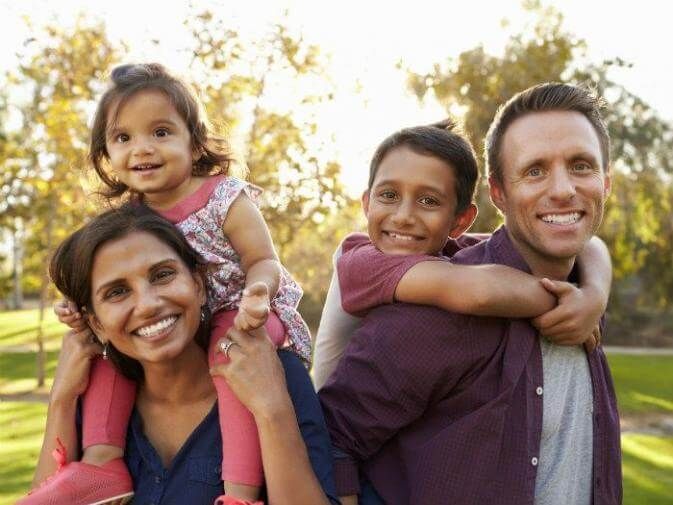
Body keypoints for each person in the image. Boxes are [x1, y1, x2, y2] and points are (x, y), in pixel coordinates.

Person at [319, 83, 621, 504]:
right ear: (499, 192)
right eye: (535, 170)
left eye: (581, 166)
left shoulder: (585, 292)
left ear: (605, 183)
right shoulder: (432, 307)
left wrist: (593, 295)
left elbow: (593, 246)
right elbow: (330, 437)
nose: (563, 190)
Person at [34, 62, 312, 504]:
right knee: (109, 357)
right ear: (106, 153)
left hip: (242, 313)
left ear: (194, 140)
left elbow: (263, 259)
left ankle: (238, 491)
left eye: (160, 132)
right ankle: (101, 463)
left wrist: (257, 296)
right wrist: (74, 310)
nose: (143, 149)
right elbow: (98, 282)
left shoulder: (224, 197)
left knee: (230, 362)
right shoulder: (130, 218)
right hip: (184, 322)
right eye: (123, 138)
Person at [18, 203, 339, 505]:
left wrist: (272, 411)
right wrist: (61, 399)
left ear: (199, 285)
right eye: (117, 292)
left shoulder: (273, 372)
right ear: (96, 324)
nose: (148, 304)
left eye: (162, 275)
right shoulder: (90, 403)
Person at [312, 119, 609, 391]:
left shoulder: (451, 249)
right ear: (366, 203)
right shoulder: (360, 259)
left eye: (428, 201)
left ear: (460, 221)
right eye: (389, 195)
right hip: (325, 433)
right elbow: (480, 291)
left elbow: (591, 244)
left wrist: (593, 295)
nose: (403, 216)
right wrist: (569, 304)